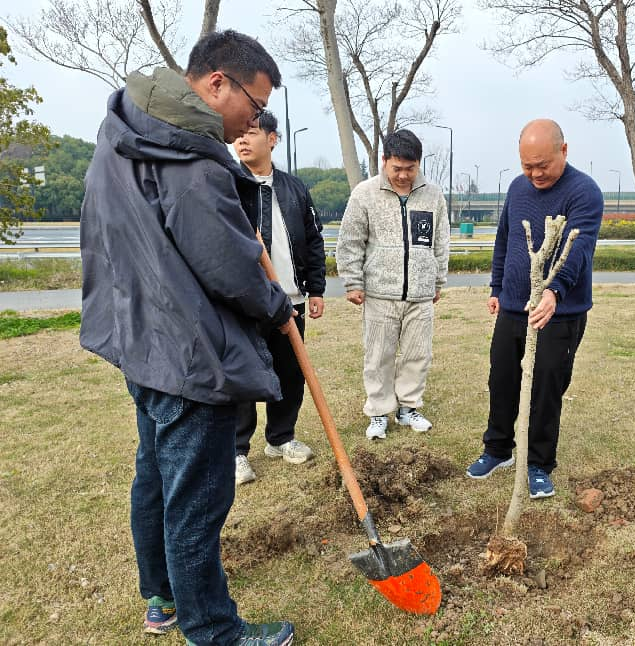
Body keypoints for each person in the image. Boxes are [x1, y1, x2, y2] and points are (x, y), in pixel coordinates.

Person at [79, 30, 296, 646]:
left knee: (154, 476)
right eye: (255, 106)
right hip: (187, 354)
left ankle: (162, 599)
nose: (253, 121)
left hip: (139, 341)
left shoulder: (121, 134)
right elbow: (229, 268)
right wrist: (276, 305)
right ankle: (213, 629)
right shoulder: (192, 161)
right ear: (218, 82)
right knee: (196, 498)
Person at [465, 119, 603, 500]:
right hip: (513, 306)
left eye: (542, 165)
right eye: (527, 166)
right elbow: (505, 239)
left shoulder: (584, 192)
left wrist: (554, 292)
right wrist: (496, 287)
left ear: (564, 150)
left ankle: (539, 463)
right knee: (502, 378)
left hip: (561, 311)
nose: (535, 174)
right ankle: (498, 449)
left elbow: (579, 249)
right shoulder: (516, 188)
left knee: (546, 386)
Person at [336, 129, 450, 440]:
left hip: (420, 294)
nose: (403, 175)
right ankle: (378, 411)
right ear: (385, 160)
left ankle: (408, 407)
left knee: (418, 355)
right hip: (379, 293)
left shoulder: (433, 196)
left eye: (410, 169)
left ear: (418, 164)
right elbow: (350, 241)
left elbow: (440, 241)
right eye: (397, 168)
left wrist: (437, 279)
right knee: (378, 356)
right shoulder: (364, 193)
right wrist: (352, 281)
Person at [231, 111, 325, 485]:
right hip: (246, 303)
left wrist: (316, 288)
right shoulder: (229, 186)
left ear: (272, 139)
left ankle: (281, 438)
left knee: (290, 374)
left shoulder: (294, 188)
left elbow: (313, 239)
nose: (242, 140)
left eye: (252, 132)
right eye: (239, 134)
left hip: (291, 301)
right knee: (243, 376)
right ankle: (237, 451)